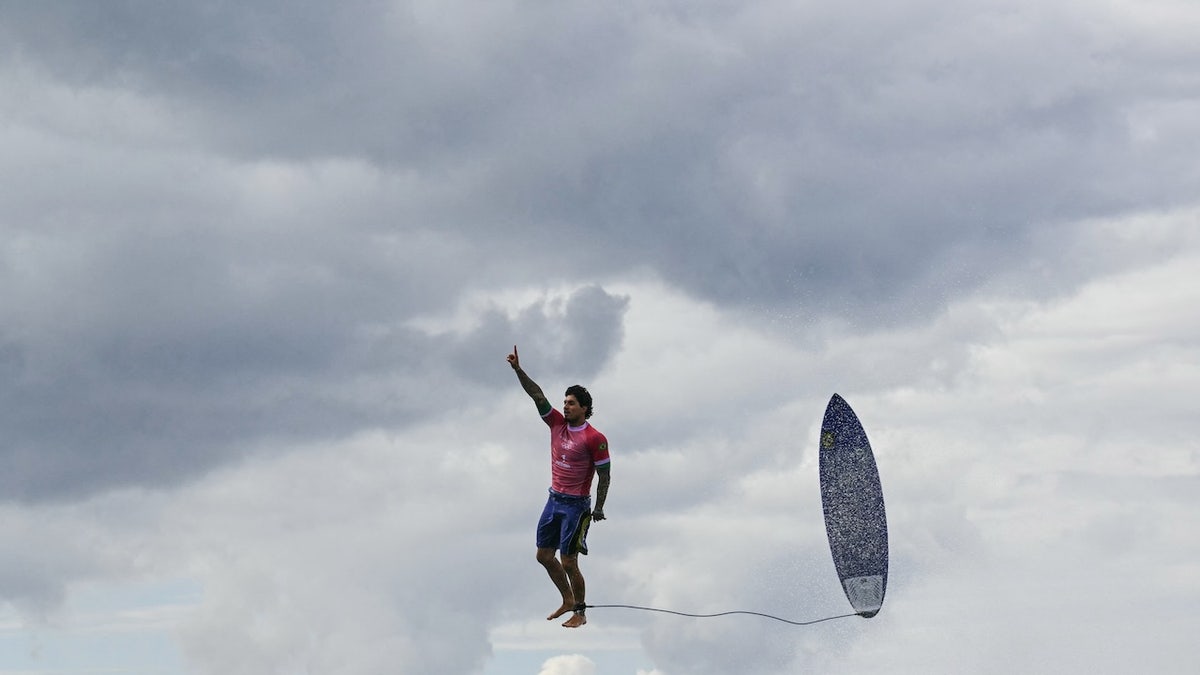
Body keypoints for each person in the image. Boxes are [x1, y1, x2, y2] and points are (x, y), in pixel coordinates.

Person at [507, 345, 611, 628]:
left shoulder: (594, 438)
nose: (565, 406)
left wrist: (599, 507)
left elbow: (605, 475)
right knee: (543, 555)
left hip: (576, 506)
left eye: (571, 403)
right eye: (565, 402)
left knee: (568, 561)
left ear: (585, 409)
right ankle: (566, 598)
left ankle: (580, 611)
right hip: (554, 500)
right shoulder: (556, 424)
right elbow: (537, 394)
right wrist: (518, 370)